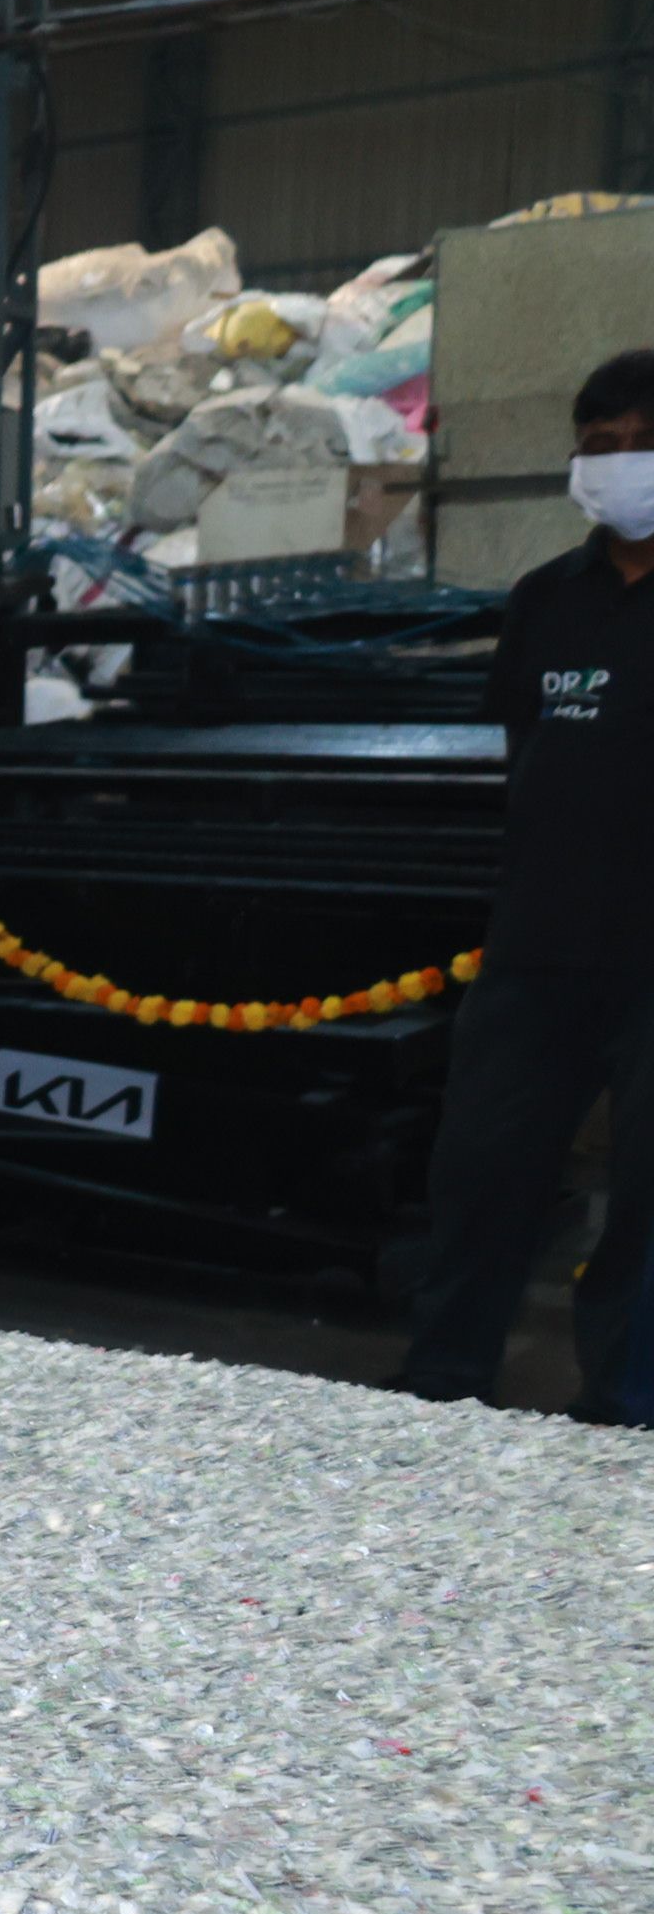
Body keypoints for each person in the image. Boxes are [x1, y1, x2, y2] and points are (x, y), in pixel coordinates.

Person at [403, 348, 654, 1412]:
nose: (621, 465)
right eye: (601, 447)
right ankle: (446, 1380)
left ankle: (623, 1414)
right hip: (538, 945)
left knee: (644, 1207)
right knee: (482, 1179)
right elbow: (526, 751)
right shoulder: (547, 600)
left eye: (644, 446)